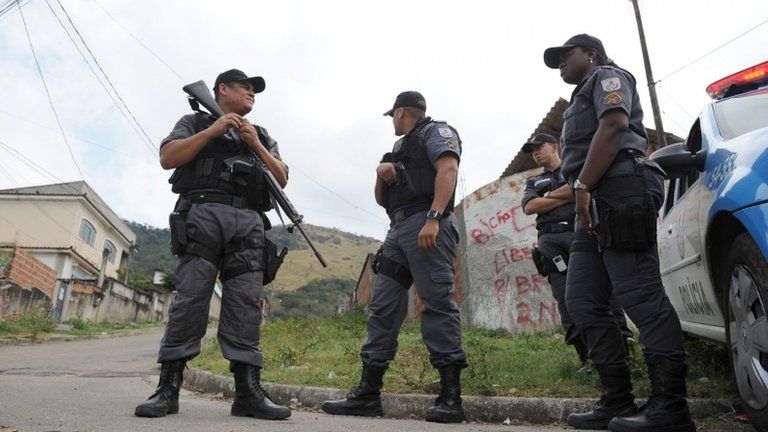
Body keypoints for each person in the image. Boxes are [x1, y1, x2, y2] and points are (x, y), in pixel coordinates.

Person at [543, 34, 695, 432]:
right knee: (582, 300)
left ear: (590, 53)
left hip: (620, 188)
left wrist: (582, 187)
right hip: (595, 199)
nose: (560, 63)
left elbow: (614, 126)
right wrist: (585, 190)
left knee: (640, 295)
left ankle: (670, 408)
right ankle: (616, 401)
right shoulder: (579, 97)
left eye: (565, 55)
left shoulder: (607, 76)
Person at [134, 69, 290, 420]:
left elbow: (281, 177)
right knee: (190, 301)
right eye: (245, 87)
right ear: (222, 90)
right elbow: (168, 158)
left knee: (246, 305)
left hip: (248, 222)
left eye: (255, 90)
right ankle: (168, 389)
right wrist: (213, 130)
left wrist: (255, 145)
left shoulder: (261, 133)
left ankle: (248, 393)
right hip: (202, 213)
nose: (252, 94)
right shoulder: (193, 120)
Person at [321, 91, 468, 423]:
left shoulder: (436, 132)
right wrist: (380, 170)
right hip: (398, 229)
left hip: (427, 222)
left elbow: (448, 169)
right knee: (383, 306)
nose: (392, 121)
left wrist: (434, 217)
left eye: (393, 116)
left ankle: (450, 397)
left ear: (402, 112)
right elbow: (380, 199)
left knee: (436, 303)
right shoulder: (399, 149)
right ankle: (367, 395)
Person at [521, 133, 632, 374]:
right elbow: (529, 207)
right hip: (550, 243)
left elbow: (580, 189)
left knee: (602, 294)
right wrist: (566, 194)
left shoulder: (575, 169)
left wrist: (548, 197)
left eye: (539, 147)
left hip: (580, 234)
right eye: (532, 151)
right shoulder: (534, 181)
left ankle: (623, 353)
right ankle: (588, 357)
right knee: (566, 299)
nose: (536, 153)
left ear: (554, 146)